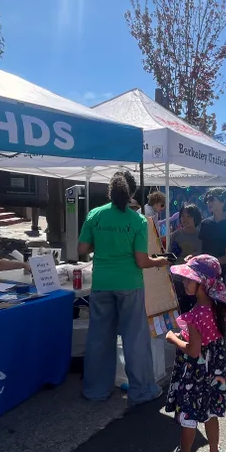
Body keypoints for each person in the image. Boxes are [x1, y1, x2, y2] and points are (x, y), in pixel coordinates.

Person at [78, 170, 170, 406]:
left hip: (101, 283)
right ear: (132, 193)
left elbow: (82, 249)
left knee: (99, 338)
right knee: (135, 338)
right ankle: (142, 390)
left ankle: (96, 390)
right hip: (130, 284)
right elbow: (141, 261)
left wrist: (102, 244)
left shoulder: (95, 214)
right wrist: (160, 261)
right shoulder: (138, 221)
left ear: (110, 191)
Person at [164, 255, 226, 452]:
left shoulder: (195, 316)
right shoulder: (218, 307)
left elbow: (193, 350)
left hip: (195, 374)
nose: (184, 282)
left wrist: (173, 338)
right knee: (210, 414)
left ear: (203, 283)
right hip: (214, 372)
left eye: (189, 279)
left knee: (189, 418)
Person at [198, 187, 226, 277]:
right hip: (204, 271)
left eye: (211, 199)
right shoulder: (205, 223)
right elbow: (200, 249)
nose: (208, 202)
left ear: (223, 201)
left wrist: (210, 262)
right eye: (207, 200)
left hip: (221, 272)